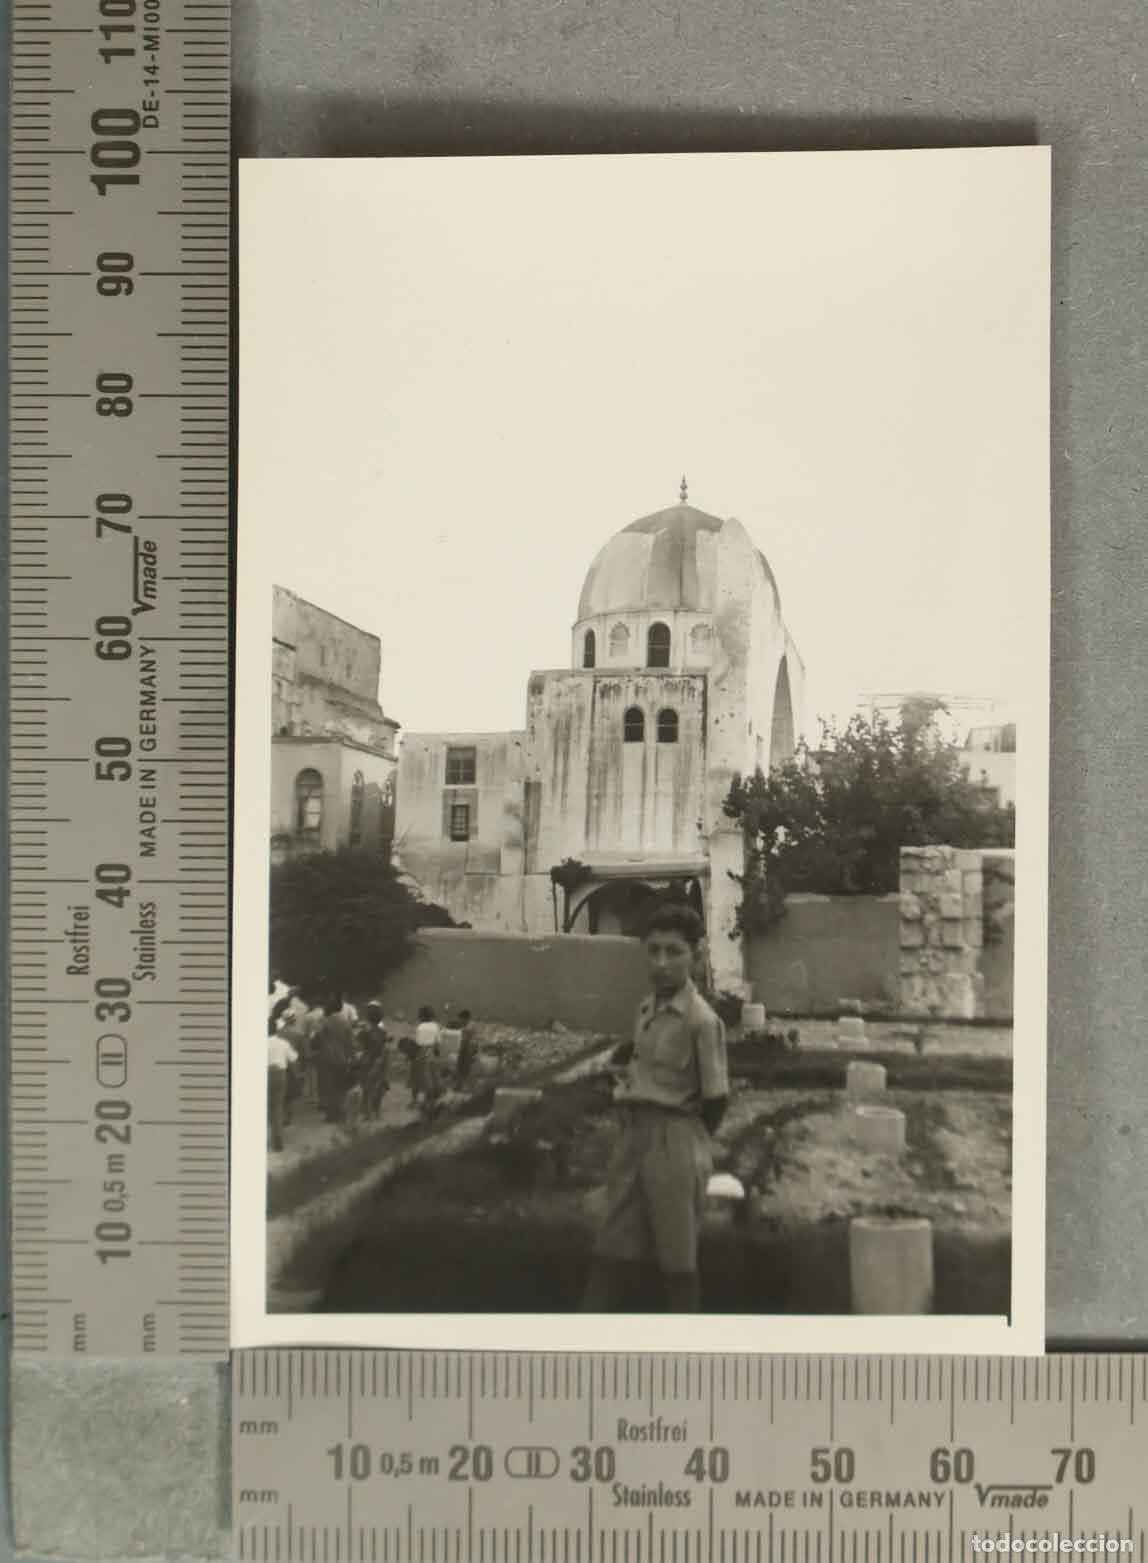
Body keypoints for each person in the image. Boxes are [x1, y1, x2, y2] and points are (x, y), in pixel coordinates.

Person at [581, 902, 729, 1314]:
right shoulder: (645, 1009)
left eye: (674, 952)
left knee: (677, 1263)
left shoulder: (702, 1021)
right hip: (634, 1136)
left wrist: (687, 1145)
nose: (661, 962)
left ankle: (684, 1352)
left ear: (696, 956)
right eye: (654, 950)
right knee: (611, 1248)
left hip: (676, 1139)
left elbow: (716, 1099)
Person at [314, 994, 355, 1124]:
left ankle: (331, 1114)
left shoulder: (324, 1022)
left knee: (328, 1086)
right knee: (341, 1086)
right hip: (342, 1057)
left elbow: (316, 1040)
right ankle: (341, 1113)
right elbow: (350, 1042)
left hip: (326, 1058)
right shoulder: (345, 1022)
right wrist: (351, 1056)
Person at [267, 1016, 299, 1152]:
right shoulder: (283, 1043)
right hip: (280, 1074)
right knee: (278, 1107)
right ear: (277, 1030)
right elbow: (293, 1057)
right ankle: (277, 1139)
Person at [357, 1002, 390, 1118]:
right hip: (380, 1061)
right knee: (379, 1086)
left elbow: (359, 1048)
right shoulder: (383, 1032)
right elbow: (385, 1048)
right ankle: (377, 1111)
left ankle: (367, 1112)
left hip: (367, 1061)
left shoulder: (363, 1033)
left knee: (367, 1087)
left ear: (368, 1019)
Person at [411, 1005, 442, 1109]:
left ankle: (415, 1100)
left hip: (421, 1052)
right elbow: (438, 1042)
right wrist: (437, 1052)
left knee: (417, 1076)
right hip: (432, 1051)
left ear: (422, 1016)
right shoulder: (436, 1026)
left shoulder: (420, 1027)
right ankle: (429, 1099)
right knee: (432, 1075)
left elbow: (418, 1042)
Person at [454, 1008, 478, 1088]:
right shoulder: (470, 1025)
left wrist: (459, 1050)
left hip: (469, 1048)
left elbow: (465, 1039)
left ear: (465, 1018)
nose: (460, 1021)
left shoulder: (468, 1027)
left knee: (463, 1067)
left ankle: (462, 1085)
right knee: (463, 1067)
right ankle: (461, 1084)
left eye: (461, 1019)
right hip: (470, 1048)